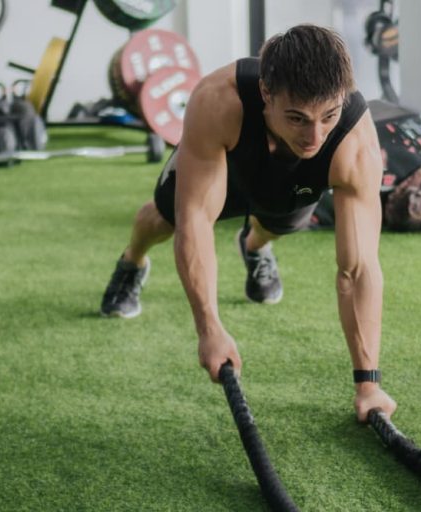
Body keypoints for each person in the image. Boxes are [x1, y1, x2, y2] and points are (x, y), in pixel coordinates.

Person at [100, 24, 396, 422]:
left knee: (279, 224)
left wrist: (368, 384)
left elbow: (358, 269)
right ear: (266, 94)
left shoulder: (353, 142)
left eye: (328, 115)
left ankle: (255, 245)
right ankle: (132, 259)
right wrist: (210, 327)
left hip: (289, 183)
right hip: (230, 161)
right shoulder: (216, 100)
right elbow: (197, 223)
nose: (315, 136)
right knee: (163, 219)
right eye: (297, 118)